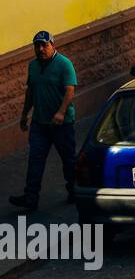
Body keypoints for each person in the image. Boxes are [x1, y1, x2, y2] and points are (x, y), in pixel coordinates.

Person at [10, 31, 77, 210]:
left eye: (44, 45)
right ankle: (31, 198)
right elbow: (30, 92)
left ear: (53, 45)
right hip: (39, 123)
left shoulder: (64, 64)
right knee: (35, 160)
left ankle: (74, 191)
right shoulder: (33, 66)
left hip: (62, 124)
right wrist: (24, 114)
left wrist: (61, 112)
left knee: (69, 160)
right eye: (37, 46)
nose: (40, 49)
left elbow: (70, 90)